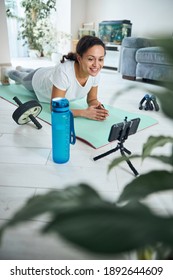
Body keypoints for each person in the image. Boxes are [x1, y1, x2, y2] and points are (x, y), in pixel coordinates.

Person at [7, 35, 109, 121]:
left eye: (100, 59)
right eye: (91, 59)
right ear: (79, 58)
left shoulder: (94, 72)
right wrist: (84, 113)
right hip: (38, 80)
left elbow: (92, 99)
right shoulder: (64, 72)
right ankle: (7, 71)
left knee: (30, 71)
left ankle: (23, 68)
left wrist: (98, 108)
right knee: (20, 77)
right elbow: (55, 109)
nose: (96, 64)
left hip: (51, 73)